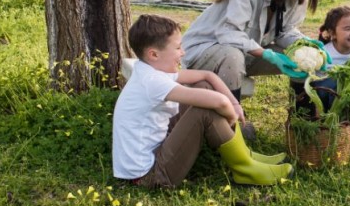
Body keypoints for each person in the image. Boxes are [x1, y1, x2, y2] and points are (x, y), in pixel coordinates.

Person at [113, 14, 292, 188]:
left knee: (202, 85)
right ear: (153, 54)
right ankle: (245, 169)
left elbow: (208, 75)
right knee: (204, 109)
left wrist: (235, 104)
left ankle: (246, 156)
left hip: (157, 151)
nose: (182, 53)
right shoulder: (152, 81)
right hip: (150, 175)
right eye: (177, 48)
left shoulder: (148, 69)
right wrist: (231, 114)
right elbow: (219, 102)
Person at [181, 0, 327, 129]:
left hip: (243, 53)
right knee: (232, 55)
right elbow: (228, 33)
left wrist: (308, 44)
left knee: (302, 56)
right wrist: (266, 54)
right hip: (205, 51)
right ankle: (230, 128)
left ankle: (303, 124)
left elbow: (285, 31)